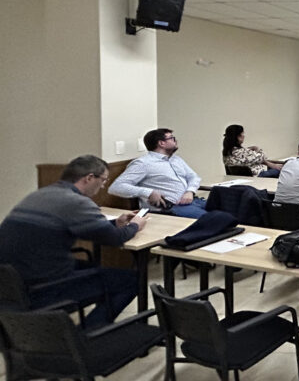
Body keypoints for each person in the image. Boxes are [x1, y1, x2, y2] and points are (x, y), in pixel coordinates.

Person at [0, 155, 147, 329]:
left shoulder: (41, 194)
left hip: (11, 282)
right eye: (103, 180)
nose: (103, 186)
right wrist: (135, 225)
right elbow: (115, 239)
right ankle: (89, 332)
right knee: (131, 280)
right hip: (42, 285)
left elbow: (77, 228)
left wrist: (115, 223)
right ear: (89, 178)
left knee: (94, 268)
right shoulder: (77, 202)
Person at [110, 128, 206, 218]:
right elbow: (116, 187)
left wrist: (190, 191)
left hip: (192, 200)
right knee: (212, 220)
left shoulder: (176, 159)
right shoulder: (143, 163)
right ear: (161, 143)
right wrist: (149, 192)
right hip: (171, 207)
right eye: (172, 138)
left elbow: (194, 176)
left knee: (216, 210)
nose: (175, 141)